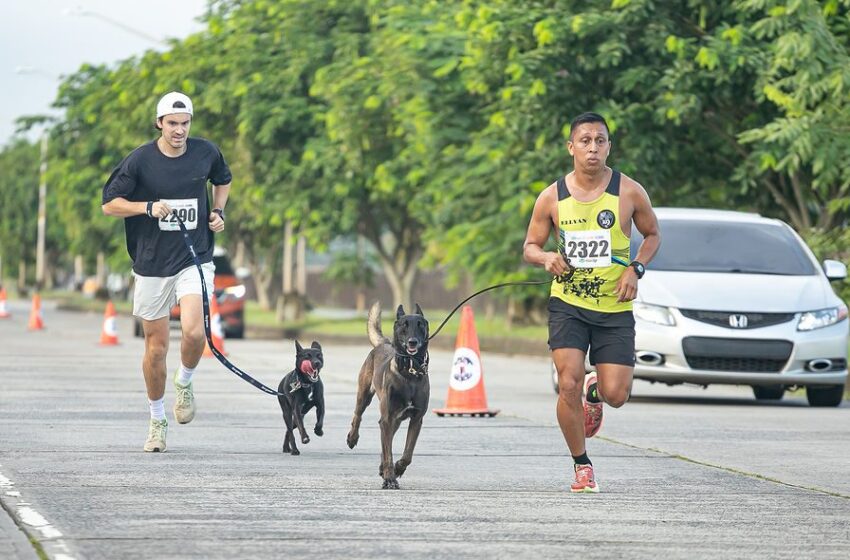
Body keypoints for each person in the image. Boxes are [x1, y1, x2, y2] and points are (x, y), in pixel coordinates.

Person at [523, 112, 660, 492]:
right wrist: (546, 257)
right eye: (585, 141)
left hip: (614, 307)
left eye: (600, 140)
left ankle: (596, 391)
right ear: (571, 147)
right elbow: (530, 246)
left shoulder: (629, 191)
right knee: (567, 382)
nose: (592, 148)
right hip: (568, 304)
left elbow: (652, 235)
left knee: (618, 395)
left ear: (609, 147)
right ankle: (581, 465)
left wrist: (635, 268)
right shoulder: (552, 197)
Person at [102, 92, 232, 453]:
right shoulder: (140, 160)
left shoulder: (206, 152)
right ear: (159, 123)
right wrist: (147, 208)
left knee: (194, 331)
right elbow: (110, 204)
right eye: (172, 123)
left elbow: (223, 179)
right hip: (151, 265)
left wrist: (218, 212)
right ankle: (157, 419)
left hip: (194, 257)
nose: (179, 130)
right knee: (156, 349)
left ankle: (185, 381)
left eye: (185, 123)